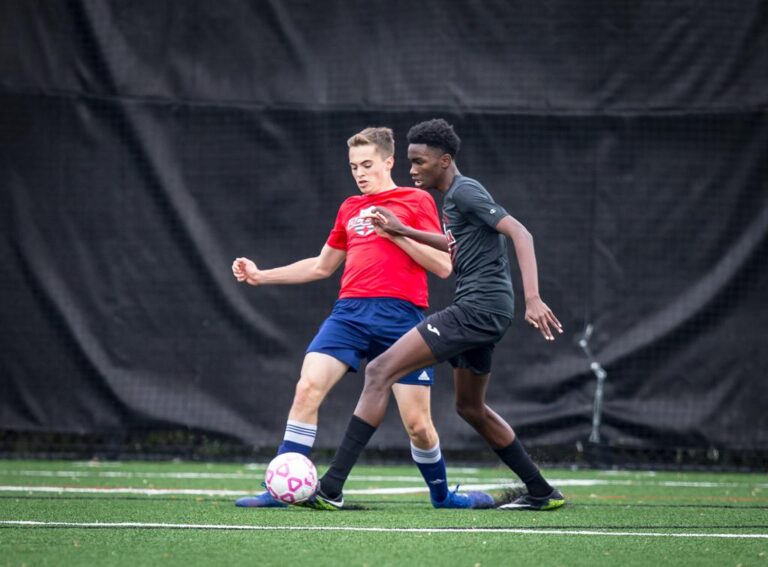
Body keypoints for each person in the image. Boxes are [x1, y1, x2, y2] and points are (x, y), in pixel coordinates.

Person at [304, 118, 566, 511]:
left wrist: (533, 298)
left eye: (419, 162)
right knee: (469, 407)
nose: (411, 170)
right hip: (486, 313)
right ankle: (541, 492)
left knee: (378, 371)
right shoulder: (452, 201)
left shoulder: (464, 191)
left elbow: (520, 232)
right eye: (409, 161)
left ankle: (331, 487)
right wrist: (402, 230)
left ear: (444, 161)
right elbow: (452, 242)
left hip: (477, 309)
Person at [232, 126, 494, 509]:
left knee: (418, 426)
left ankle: (442, 496)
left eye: (367, 164)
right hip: (350, 314)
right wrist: (261, 275)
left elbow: (443, 265)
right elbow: (322, 266)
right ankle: (280, 490)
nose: (360, 172)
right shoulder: (350, 208)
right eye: (354, 166)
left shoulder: (416, 200)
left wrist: (395, 235)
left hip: (403, 319)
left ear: (389, 162)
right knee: (307, 388)